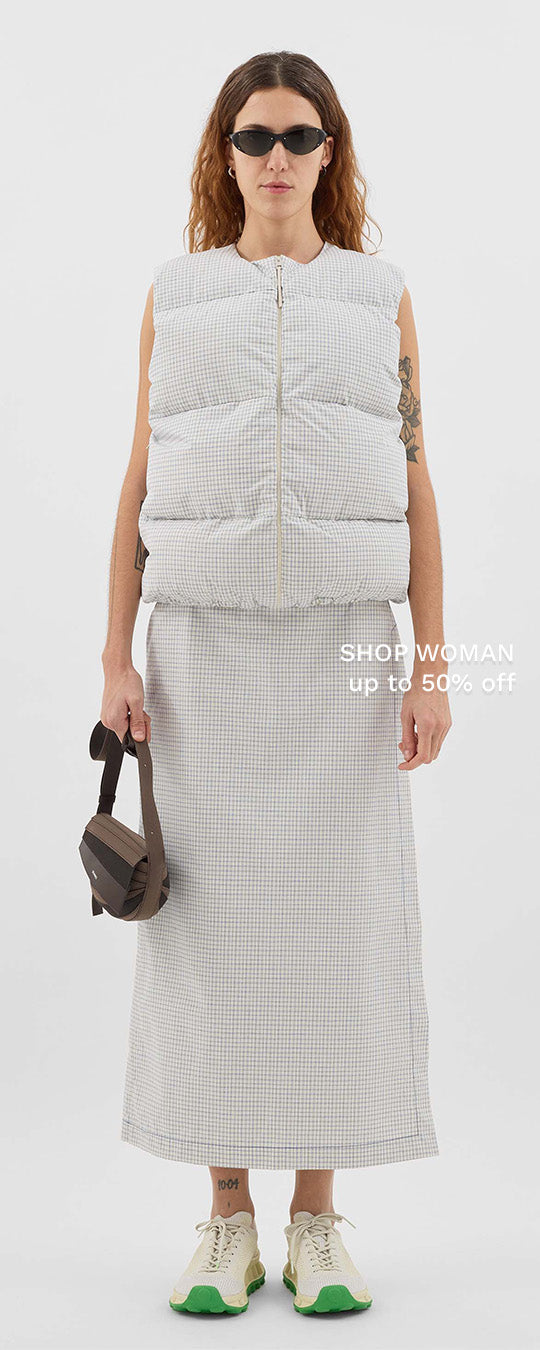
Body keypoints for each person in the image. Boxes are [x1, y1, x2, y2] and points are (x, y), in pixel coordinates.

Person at [100, 50, 451, 1318]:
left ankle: (315, 1221)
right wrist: (114, 654)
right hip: (203, 656)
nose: (279, 159)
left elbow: (414, 478)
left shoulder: (380, 295)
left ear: (330, 153)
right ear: (226, 153)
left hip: (343, 657)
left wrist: (430, 665)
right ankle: (225, 1220)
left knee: (339, 934)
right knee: (208, 938)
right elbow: (140, 478)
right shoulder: (177, 292)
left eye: (301, 137)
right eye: (256, 137)